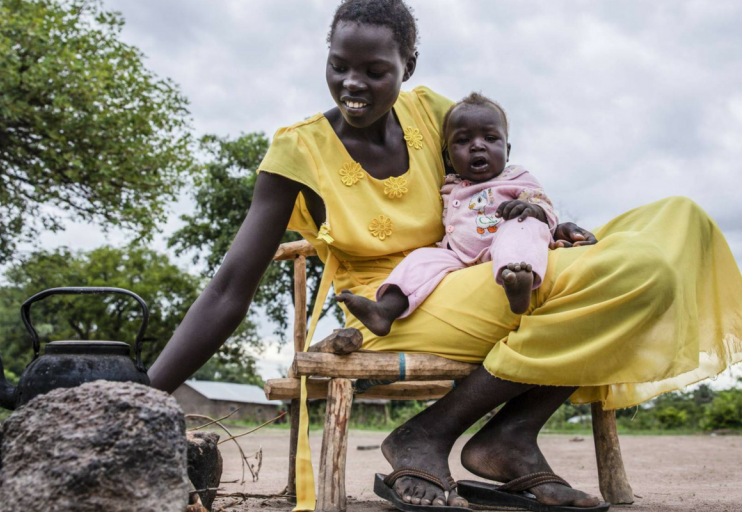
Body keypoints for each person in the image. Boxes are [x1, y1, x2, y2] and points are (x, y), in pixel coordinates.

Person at [147, 0, 742, 510]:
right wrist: (145, 393)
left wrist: (543, 220)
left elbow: (498, 172)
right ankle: (429, 435)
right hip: (398, 306)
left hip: (485, 269)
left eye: (376, 71)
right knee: (635, 275)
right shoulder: (297, 151)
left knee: (680, 219)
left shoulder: (433, 112)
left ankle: (508, 437)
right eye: (339, 67)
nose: (354, 84)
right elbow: (230, 287)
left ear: (409, 66)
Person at [337, 92, 558, 337]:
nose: (477, 145)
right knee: (421, 258)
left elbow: (545, 208)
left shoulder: (516, 177)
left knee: (524, 226)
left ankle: (516, 279)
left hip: (505, 245)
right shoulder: (449, 185)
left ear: (507, 150)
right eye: (463, 141)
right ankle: (385, 310)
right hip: (457, 256)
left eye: (490, 137)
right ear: (449, 159)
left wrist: (532, 210)